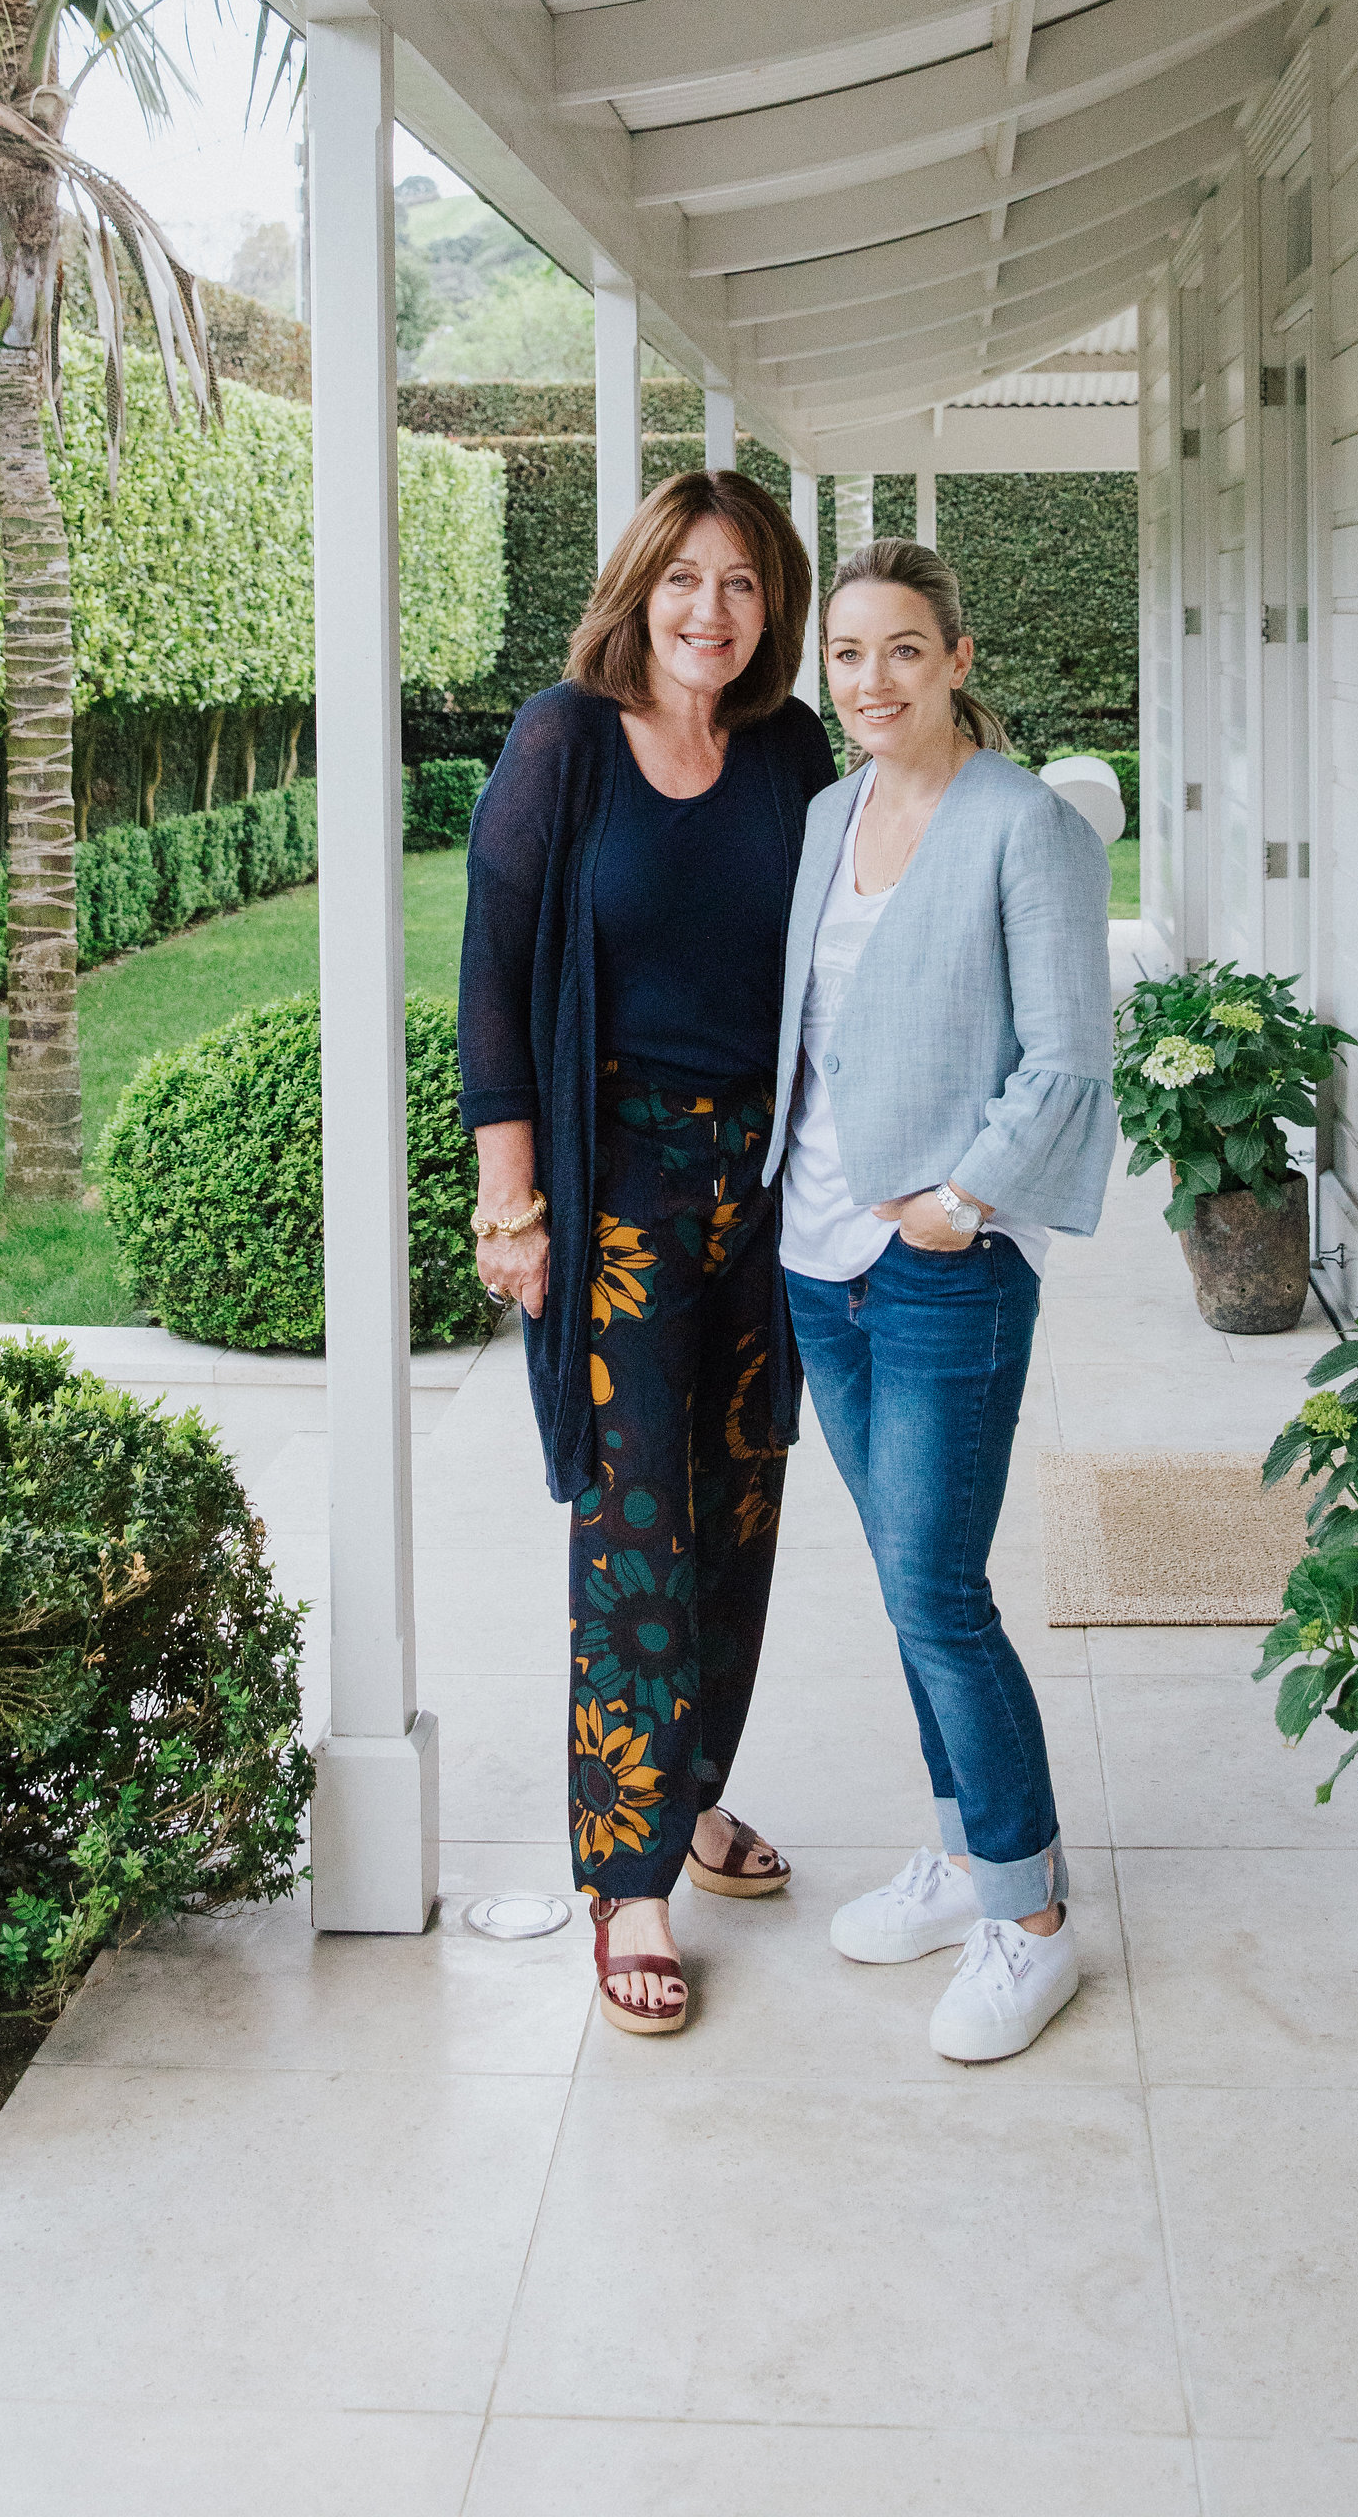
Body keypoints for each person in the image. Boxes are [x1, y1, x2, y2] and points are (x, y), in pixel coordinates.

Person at [458, 469, 834, 2037]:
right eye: (684, 579)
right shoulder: (564, 742)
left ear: (775, 608)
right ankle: (628, 1886)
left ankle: (688, 1798)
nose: (710, 612)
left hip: (769, 1180)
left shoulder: (794, 752)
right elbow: (492, 975)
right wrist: (512, 1202)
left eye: (742, 585)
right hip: (617, 1185)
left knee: (741, 1512)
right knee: (634, 1527)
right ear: (638, 586)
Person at [769, 539, 1114, 2063]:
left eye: (904, 650)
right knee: (908, 1589)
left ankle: (1030, 1918)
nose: (872, 682)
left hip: (939, 1269)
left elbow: (1065, 1058)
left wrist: (960, 1205)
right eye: (848, 654)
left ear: (959, 658)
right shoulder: (829, 814)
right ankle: (962, 1849)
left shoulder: (1022, 827)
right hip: (812, 1258)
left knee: (940, 1594)